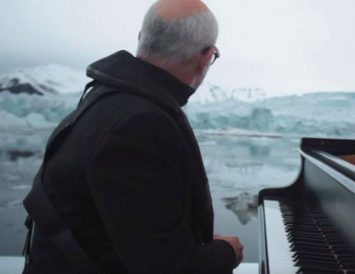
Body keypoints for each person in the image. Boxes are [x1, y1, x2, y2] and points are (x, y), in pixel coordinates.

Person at [21, 0, 243, 273]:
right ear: (206, 57)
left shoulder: (109, 98)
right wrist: (226, 253)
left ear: (142, 39)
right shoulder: (141, 125)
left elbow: (132, 228)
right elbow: (165, 269)